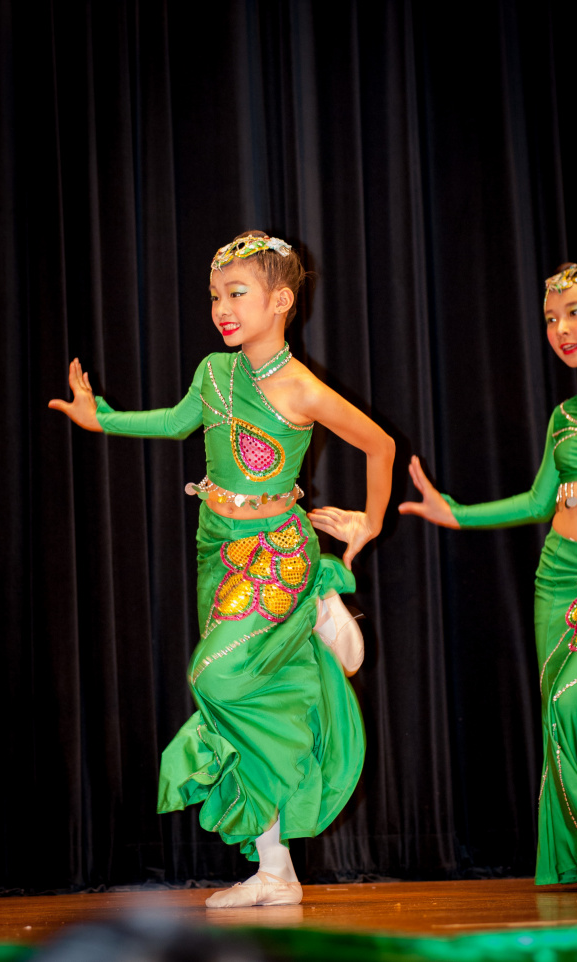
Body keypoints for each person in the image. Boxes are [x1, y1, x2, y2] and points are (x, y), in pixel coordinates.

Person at [49, 230, 395, 907]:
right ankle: (275, 871)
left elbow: (379, 445)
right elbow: (178, 422)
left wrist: (371, 520)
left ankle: (316, 601)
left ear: (281, 300)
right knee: (237, 704)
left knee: (214, 675)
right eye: (215, 296)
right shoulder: (214, 371)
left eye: (237, 293)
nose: (221, 309)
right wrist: (103, 421)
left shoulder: (302, 388)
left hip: (277, 549)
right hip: (218, 546)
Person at [399, 263, 577, 889]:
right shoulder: (566, 415)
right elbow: (537, 502)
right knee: (562, 708)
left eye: (576, 312)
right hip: (557, 580)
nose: (562, 329)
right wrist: (456, 513)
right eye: (552, 318)